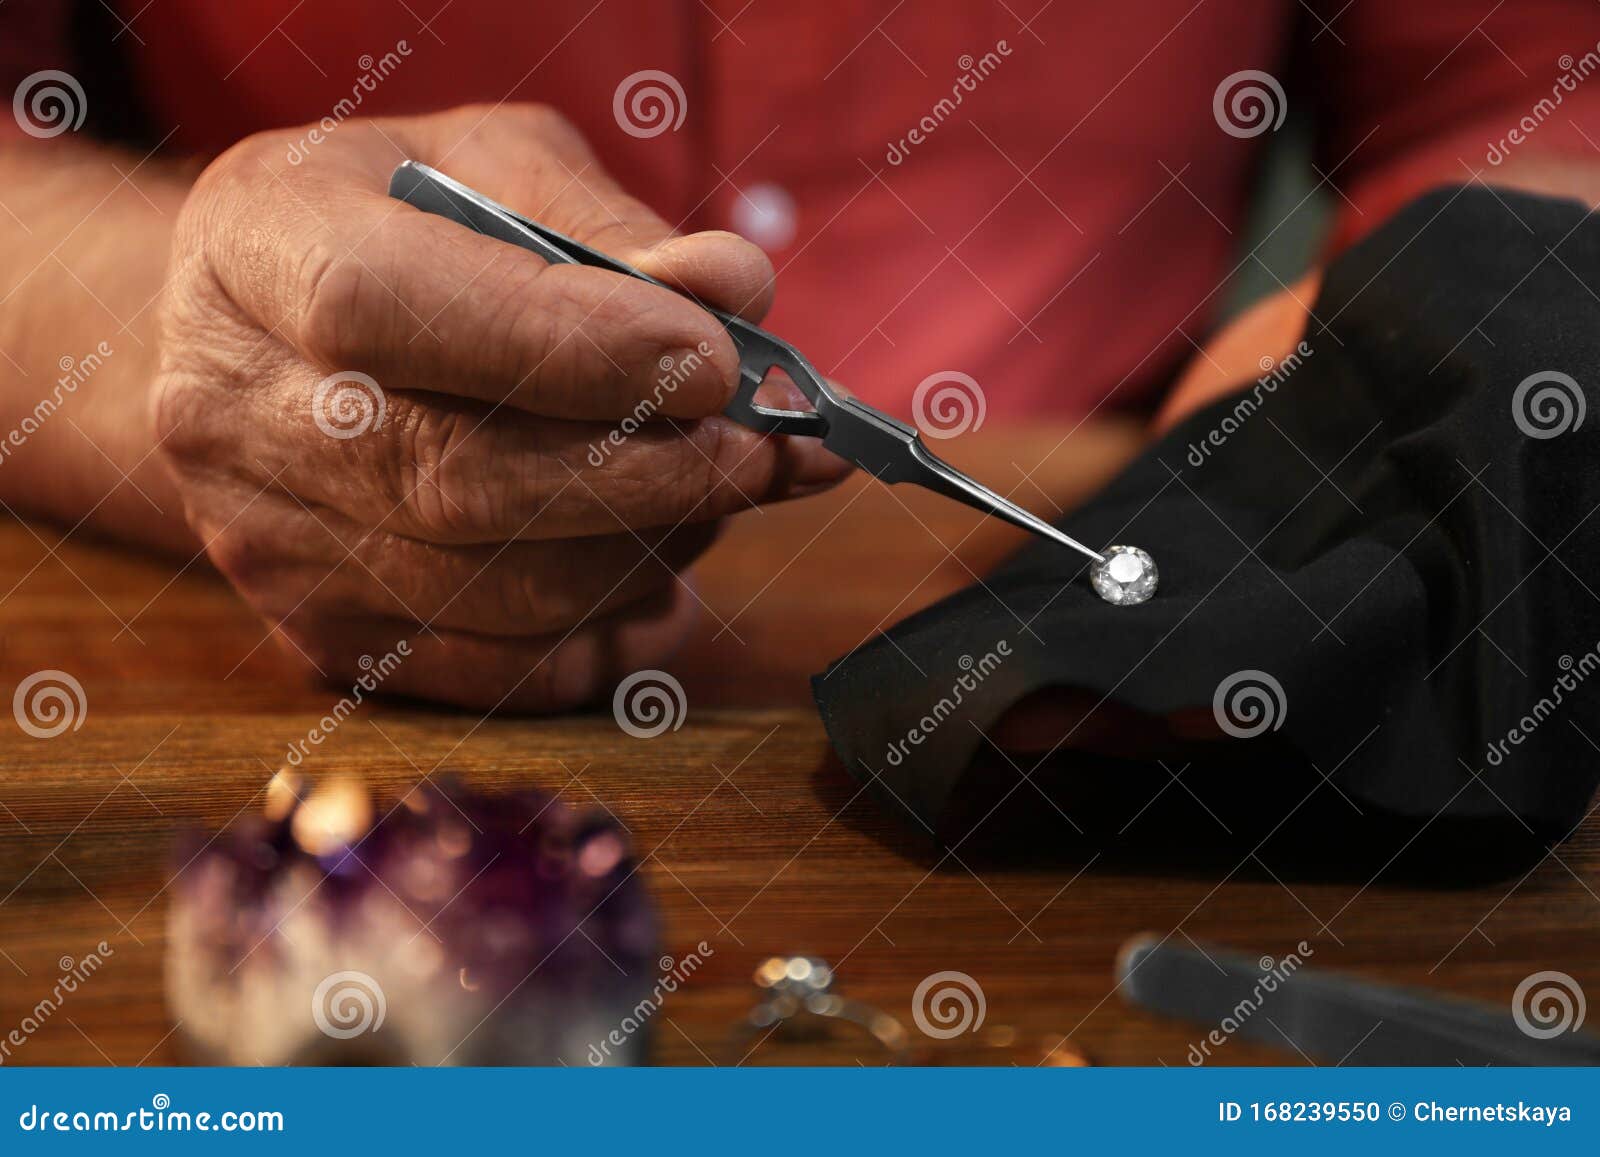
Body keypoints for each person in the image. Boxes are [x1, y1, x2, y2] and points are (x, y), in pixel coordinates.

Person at [1, 2, 1597, 711]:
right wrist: (203, 330)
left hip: (1104, 546)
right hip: (209, 639)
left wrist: (1320, 442)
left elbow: (1528, 99)